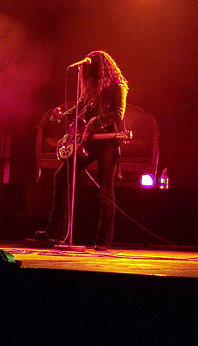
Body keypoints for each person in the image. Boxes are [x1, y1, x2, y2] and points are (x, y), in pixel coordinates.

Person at [34, 50, 128, 251]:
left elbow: (118, 114)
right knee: (61, 178)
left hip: (106, 142)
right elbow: (80, 107)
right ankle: (54, 231)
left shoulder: (117, 87)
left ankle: (103, 241)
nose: (87, 75)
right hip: (88, 142)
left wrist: (98, 121)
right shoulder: (94, 88)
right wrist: (62, 117)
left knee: (105, 191)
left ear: (101, 68)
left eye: (90, 70)